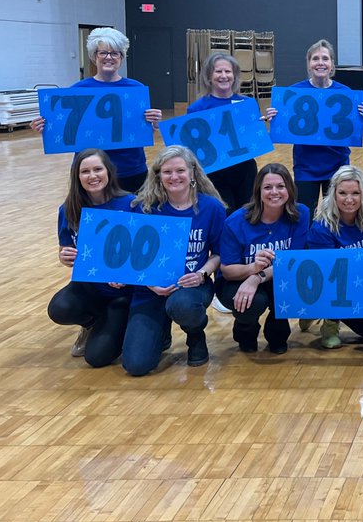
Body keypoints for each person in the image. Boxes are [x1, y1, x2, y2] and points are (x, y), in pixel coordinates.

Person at [122, 146, 226, 374]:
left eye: (180, 170)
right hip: (149, 288)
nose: (174, 177)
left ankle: (195, 335)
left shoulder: (212, 207)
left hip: (191, 285)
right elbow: (133, 258)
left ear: (192, 173)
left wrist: (202, 274)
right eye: (167, 172)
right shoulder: (144, 208)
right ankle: (161, 332)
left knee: (181, 305)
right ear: (158, 175)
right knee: (136, 365)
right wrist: (150, 284)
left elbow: (219, 253)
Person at [31, 27, 162, 191]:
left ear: (121, 57)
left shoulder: (136, 89)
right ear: (94, 56)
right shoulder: (77, 91)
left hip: (130, 169)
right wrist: (44, 126)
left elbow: (144, 132)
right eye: (103, 53)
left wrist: (154, 124)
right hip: (91, 173)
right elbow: (62, 128)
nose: (109, 57)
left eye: (115, 53)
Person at [46, 149, 135, 366]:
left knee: (96, 358)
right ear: (76, 176)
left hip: (123, 292)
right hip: (90, 286)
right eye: (85, 171)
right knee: (59, 309)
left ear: (109, 172)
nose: (92, 176)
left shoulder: (132, 204)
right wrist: (64, 256)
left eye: (97, 169)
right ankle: (92, 322)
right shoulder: (68, 209)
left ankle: (124, 325)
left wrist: (126, 275)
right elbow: (64, 249)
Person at [218, 163, 311, 354]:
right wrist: (252, 269)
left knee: (294, 283)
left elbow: (293, 262)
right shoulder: (235, 221)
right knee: (254, 303)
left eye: (280, 186)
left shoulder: (301, 214)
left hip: (277, 275)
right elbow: (227, 270)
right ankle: (245, 329)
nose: (274, 192)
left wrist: (256, 277)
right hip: (237, 279)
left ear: (290, 189)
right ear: (258, 191)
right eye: (267, 187)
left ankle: (277, 328)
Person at [264, 39, 355, 214]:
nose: (320, 63)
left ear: (332, 64)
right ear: (308, 64)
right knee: (305, 217)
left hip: (338, 165)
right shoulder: (293, 93)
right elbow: (281, 124)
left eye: (325, 58)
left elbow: (353, 127)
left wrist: (362, 117)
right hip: (306, 166)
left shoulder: (346, 93)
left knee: (338, 216)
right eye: (315, 59)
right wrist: (273, 118)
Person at [305, 165, 363, 349]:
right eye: (342, 193)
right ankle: (329, 322)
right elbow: (326, 276)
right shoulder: (321, 228)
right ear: (333, 193)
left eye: (355, 193)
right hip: (336, 285)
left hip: (362, 280)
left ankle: (312, 312)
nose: (349, 199)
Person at [187, 51, 259, 212]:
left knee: (248, 212)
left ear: (235, 76)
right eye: (218, 71)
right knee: (223, 213)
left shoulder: (247, 104)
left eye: (228, 71)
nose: (224, 75)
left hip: (244, 170)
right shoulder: (197, 108)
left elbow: (254, 137)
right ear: (209, 76)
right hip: (214, 172)